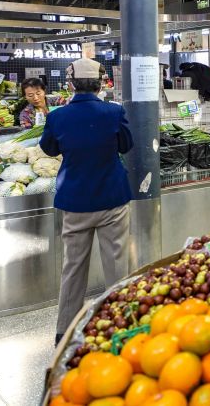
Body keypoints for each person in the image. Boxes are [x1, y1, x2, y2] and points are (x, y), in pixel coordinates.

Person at [40, 58, 133, 344]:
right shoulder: (115, 112)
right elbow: (126, 145)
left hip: (75, 200)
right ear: (100, 84)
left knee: (73, 267)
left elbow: (48, 147)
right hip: (112, 198)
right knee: (117, 264)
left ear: (71, 84)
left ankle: (64, 332)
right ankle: (121, 324)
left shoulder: (58, 116)